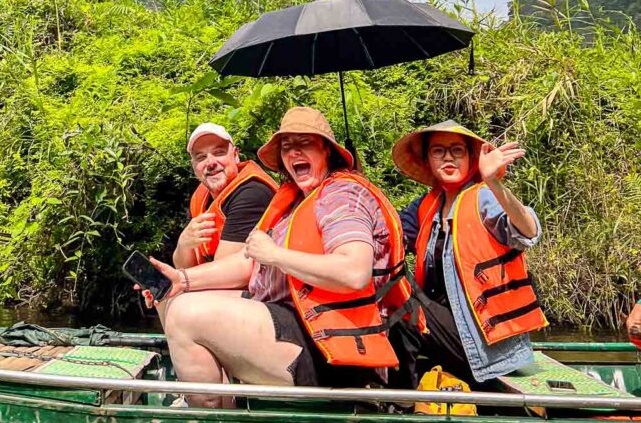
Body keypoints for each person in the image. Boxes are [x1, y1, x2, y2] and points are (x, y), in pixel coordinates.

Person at [158, 107, 415, 407]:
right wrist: (182, 279)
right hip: (297, 323)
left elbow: (353, 272)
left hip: (333, 352)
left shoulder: (341, 196)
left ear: (327, 152)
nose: (295, 152)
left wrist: (277, 255)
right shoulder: (296, 200)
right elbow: (250, 263)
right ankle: (218, 409)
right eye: (288, 147)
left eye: (305, 143)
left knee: (184, 315)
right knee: (175, 298)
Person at [391, 120, 547, 387]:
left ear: (471, 159)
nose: (448, 157)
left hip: (486, 345)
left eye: (457, 150)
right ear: (428, 160)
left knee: (404, 304)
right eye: (438, 151)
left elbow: (529, 231)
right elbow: (390, 236)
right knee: (389, 287)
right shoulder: (427, 205)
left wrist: (494, 183)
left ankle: (402, 400)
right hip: (446, 329)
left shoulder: (484, 197)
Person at [145, 123, 277, 309]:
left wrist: (180, 280)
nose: (211, 162)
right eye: (201, 157)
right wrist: (184, 244)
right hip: (228, 289)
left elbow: (226, 271)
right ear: (194, 166)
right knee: (163, 296)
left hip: (264, 294)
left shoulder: (251, 194)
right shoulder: (202, 196)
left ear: (236, 155)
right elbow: (183, 264)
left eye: (219, 152)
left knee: (179, 300)